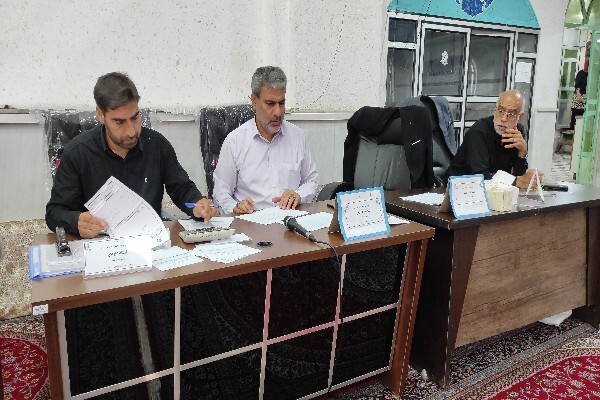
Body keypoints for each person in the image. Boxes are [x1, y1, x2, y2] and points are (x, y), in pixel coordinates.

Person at [46, 72, 218, 238]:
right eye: (119, 122)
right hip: (100, 244)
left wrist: (197, 204)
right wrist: (76, 221)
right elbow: (54, 212)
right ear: (100, 115)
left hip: (150, 241)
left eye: (135, 118)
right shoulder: (78, 153)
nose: (131, 131)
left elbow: (181, 189)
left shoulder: (157, 145)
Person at [212, 66, 319, 214]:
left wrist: (299, 195)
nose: (278, 112)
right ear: (254, 101)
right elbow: (220, 193)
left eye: (281, 103)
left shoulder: (298, 136)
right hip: (252, 222)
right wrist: (235, 207)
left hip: (290, 220)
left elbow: (311, 180)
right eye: (270, 104)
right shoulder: (235, 142)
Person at [443, 89, 543, 188]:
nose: (503, 119)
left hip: (495, 190)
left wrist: (522, 153)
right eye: (501, 111)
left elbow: (519, 177)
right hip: (456, 188)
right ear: (495, 110)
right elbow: (480, 177)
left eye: (511, 114)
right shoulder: (479, 131)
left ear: (520, 117)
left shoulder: (517, 132)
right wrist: (517, 181)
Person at [569, 60, 588, 131]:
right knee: (575, 112)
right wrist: (578, 95)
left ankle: (579, 130)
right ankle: (572, 129)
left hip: (585, 96)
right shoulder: (580, 73)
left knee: (582, 112)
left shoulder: (590, 74)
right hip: (579, 94)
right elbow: (577, 85)